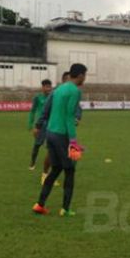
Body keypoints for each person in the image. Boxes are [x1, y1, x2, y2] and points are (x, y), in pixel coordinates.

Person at [33, 64, 87, 217]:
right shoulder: (75, 91)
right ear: (81, 75)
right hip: (62, 135)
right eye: (85, 75)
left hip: (51, 133)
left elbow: (48, 110)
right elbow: (70, 116)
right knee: (70, 171)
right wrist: (73, 141)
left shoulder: (58, 89)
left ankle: (40, 204)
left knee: (56, 169)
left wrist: (39, 125)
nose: (85, 79)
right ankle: (65, 209)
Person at [29, 79, 53, 170]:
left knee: (51, 146)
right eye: (47, 87)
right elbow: (33, 111)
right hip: (40, 124)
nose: (49, 88)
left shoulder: (53, 97)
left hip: (51, 124)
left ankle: (49, 165)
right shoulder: (37, 97)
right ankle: (32, 162)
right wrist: (31, 124)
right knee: (37, 144)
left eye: (50, 87)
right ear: (42, 87)